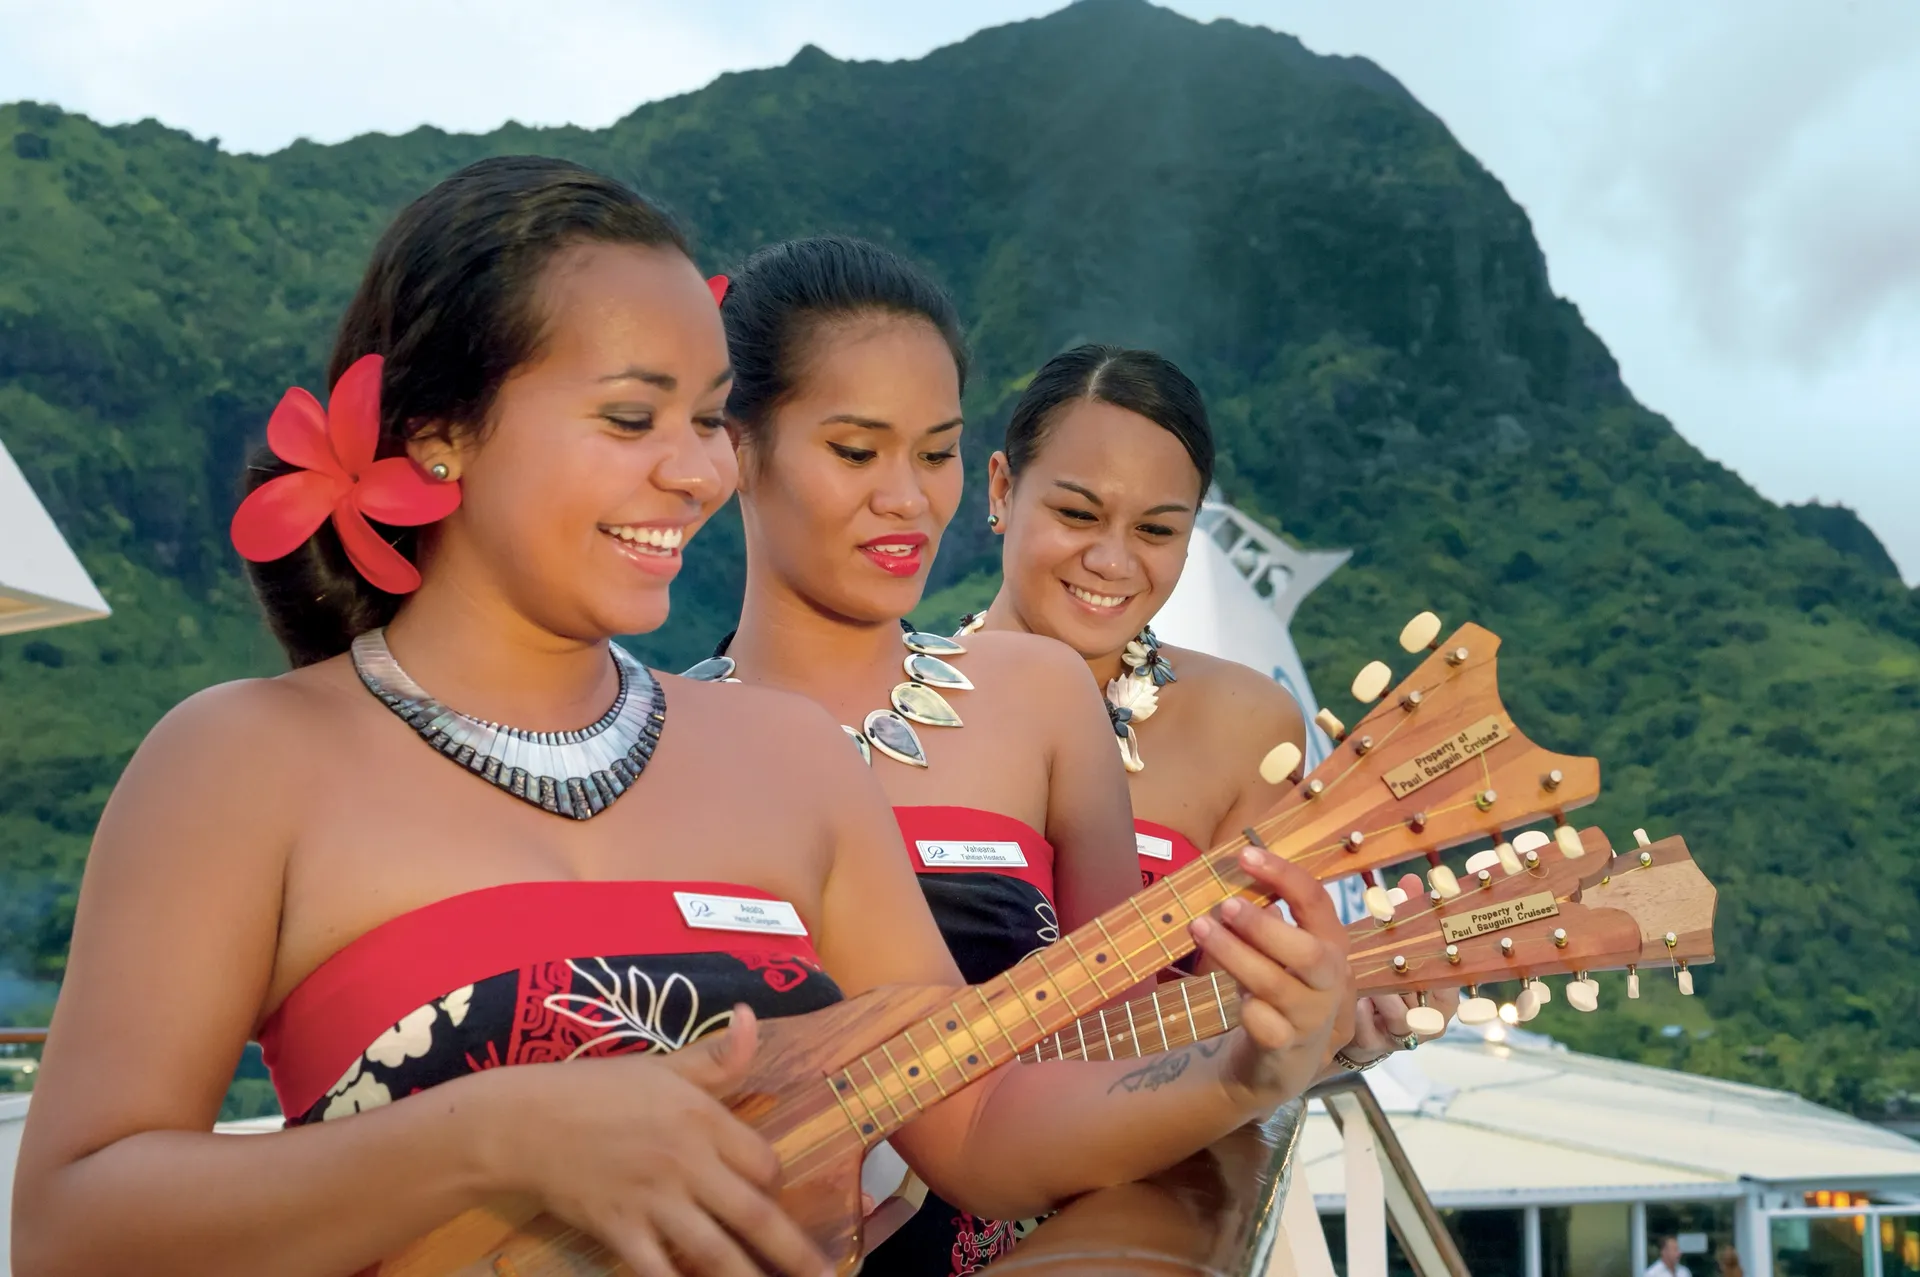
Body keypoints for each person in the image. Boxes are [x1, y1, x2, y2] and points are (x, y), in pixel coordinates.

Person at [11, 160, 1354, 1277]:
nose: (696, 468)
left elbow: (981, 1122)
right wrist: (492, 1136)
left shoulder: (783, 757)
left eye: (709, 419)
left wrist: (1244, 1063)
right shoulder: (243, 763)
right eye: (632, 416)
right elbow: (72, 1220)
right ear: (439, 437)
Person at [700, 238, 1337, 1273]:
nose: (907, 498)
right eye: (858, 452)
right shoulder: (661, 733)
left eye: (933, 450)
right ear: (734, 447)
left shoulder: (1041, 699)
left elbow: (1124, 1044)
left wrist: (1265, 1053)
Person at [969, 344, 1458, 1069]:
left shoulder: (1244, 727)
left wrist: (1345, 1034)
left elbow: (1215, 1042)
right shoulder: (886, 708)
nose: (1111, 560)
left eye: (1157, 530)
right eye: (1077, 513)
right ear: (1002, 490)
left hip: (1127, 1172)